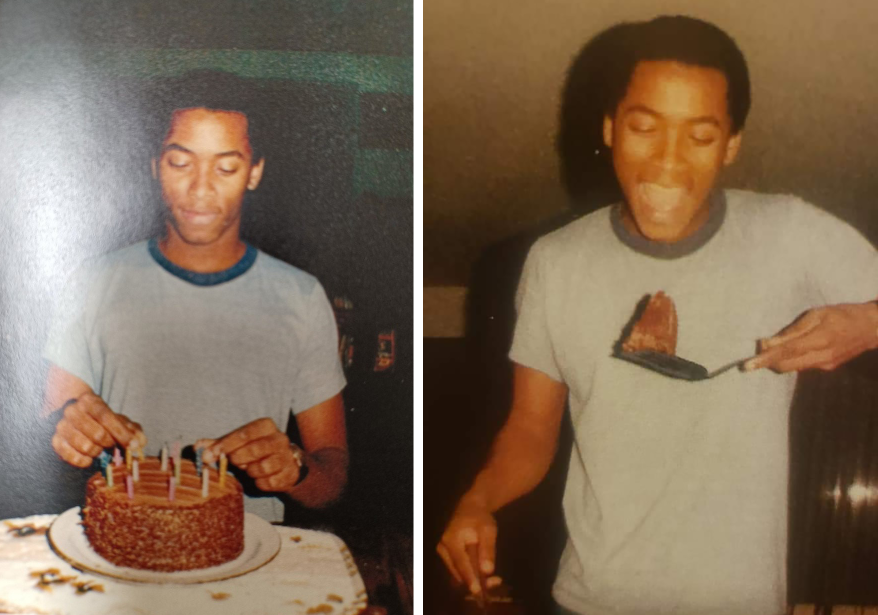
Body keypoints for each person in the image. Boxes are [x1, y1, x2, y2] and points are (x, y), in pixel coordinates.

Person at [437, 15, 878, 615]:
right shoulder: (555, 262)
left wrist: (871, 321)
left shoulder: (790, 233)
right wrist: (478, 501)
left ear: (731, 145)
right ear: (611, 128)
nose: (667, 163)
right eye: (645, 128)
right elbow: (530, 430)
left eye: (699, 137)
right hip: (590, 601)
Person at [41, 73, 348, 522]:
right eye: (180, 163)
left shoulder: (301, 296)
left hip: (248, 558)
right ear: (154, 165)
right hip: (119, 546)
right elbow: (48, 439)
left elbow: (332, 482)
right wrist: (65, 431)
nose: (201, 189)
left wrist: (295, 468)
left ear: (255, 172)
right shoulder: (92, 280)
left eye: (226, 167)